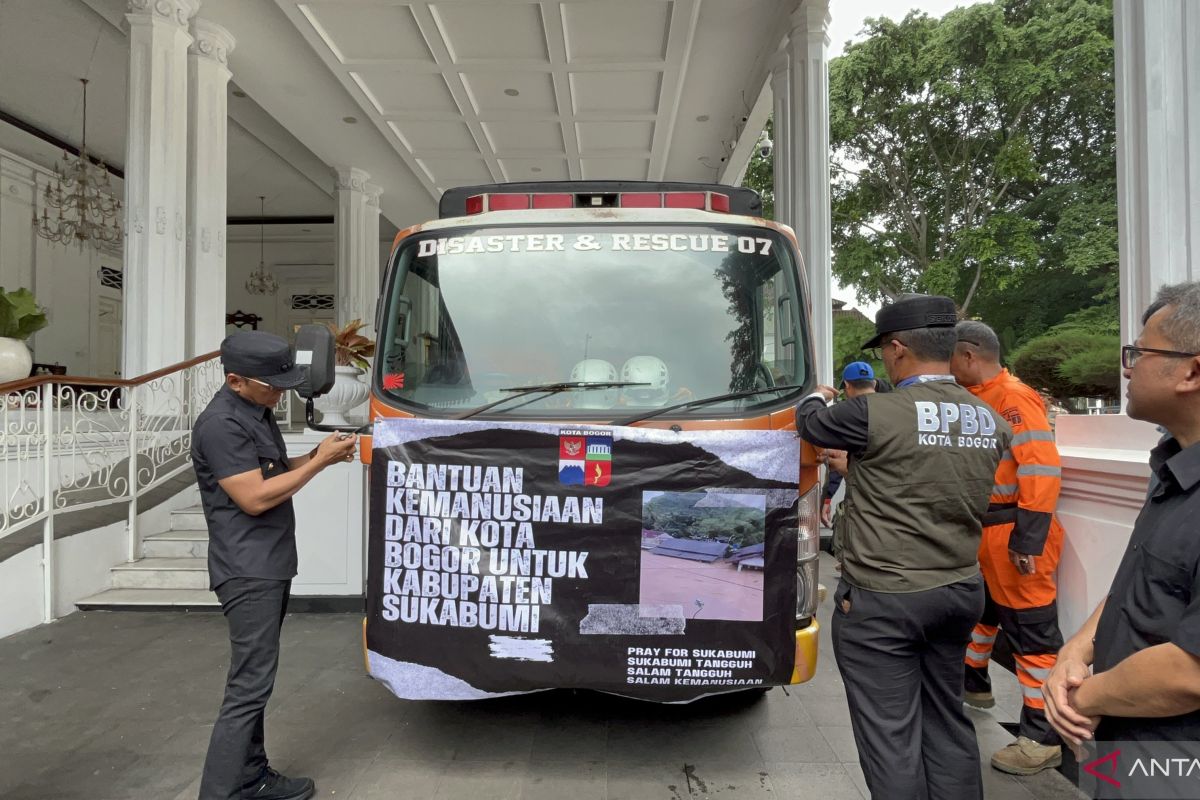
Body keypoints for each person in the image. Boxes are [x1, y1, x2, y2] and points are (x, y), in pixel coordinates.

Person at [795, 294, 1012, 800]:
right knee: (946, 719)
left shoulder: (873, 414)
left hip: (886, 600)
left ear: (896, 349)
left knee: (890, 733)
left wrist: (814, 394)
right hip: (959, 591)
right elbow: (923, 470)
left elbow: (811, 425)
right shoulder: (990, 420)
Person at [193, 331, 358, 800]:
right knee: (248, 688)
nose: (280, 391)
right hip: (247, 569)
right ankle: (221, 792)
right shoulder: (221, 424)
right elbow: (253, 497)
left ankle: (252, 778)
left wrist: (321, 458)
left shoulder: (254, 411)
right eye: (271, 384)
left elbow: (275, 471)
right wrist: (318, 462)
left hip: (268, 562)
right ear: (236, 380)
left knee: (256, 684)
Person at [1043, 283, 1200, 770]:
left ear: (1192, 370)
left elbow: (1189, 672)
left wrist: (1081, 698)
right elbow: (1138, 584)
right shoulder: (1174, 469)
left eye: (1140, 352)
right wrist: (1076, 649)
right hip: (1123, 749)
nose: (1127, 367)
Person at [950, 319, 1067, 775]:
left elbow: (1041, 467)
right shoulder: (977, 399)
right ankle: (973, 681)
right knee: (984, 611)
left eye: (950, 357)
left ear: (969, 355)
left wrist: (1028, 538)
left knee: (1031, 633)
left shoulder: (1013, 398)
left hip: (1015, 530)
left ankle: (1041, 738)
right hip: (988, 530)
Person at [819, 361, 883, 569]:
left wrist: (827, 498)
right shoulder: (895, 408)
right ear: (873, 383)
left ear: (846, 386)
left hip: (862, 492)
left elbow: (839, 459)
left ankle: (854, 563)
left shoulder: (845, 414)